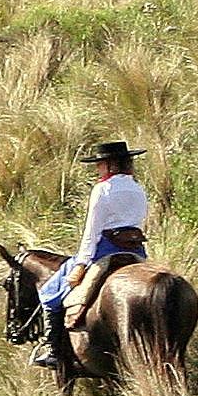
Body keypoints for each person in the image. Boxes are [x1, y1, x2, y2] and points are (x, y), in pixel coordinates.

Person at [35, 139, 151, 376]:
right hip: (135, 251)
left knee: (49, 294)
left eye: (99, 165)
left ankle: (53, 349)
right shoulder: (138, 189)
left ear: (108, 166)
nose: (98, 169)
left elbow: (92, 231)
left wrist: (81, 263)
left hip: (105, 250)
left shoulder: (102, 190)